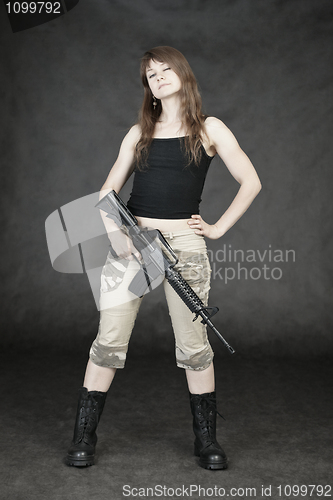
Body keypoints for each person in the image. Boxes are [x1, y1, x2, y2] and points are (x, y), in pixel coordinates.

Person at [65, 46, 262, 470]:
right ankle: (83, 437)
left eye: (165, 69)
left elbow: (251, 181)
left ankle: (206, 441)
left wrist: (218, 227)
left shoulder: (211, 129)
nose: (158, 77)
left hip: (184, 244)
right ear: (148, 89)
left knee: (194, 345)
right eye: (150, 74)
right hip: (133, 238)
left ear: (183, 75)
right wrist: (116, 233)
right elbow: (106, 192)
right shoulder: (139, 132)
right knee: (109, 340)